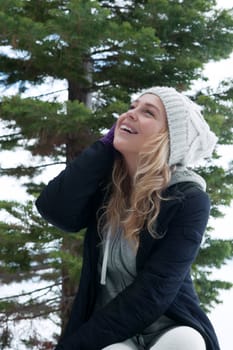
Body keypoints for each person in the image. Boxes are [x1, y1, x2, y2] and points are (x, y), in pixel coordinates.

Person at [36, 86, 220, 350]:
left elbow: (153, 292)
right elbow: (54, 209)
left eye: (148, 112)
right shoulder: (106, 189)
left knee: (185, 343)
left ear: (170, 138)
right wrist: (105, 145)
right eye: (132, 107)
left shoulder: (189, 199)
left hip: (170, 327)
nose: (129, 114)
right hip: (111, 334)